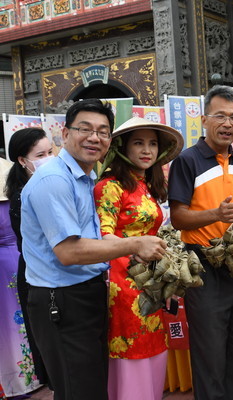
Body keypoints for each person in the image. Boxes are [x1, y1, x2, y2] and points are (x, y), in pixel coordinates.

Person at [20, 99, 167, 400]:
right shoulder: (54, 180)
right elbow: (69, 252)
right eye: (84, 129)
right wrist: (135, 244)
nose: (94, 138)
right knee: (79, 389)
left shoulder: (86, 178)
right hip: (60, 300)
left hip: (88, 293)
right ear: (65, 133)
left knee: (91, 386)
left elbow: (100, 237)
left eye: (102, 131)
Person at [168, 85, 233, 400]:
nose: (228, 123)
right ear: (204, 119)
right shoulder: (187, 160)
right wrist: (214, 214)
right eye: (220, 115)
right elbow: (178, 217)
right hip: (202, 266)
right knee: (210, 350)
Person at [94, 117, 183, 400]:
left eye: (153, 143)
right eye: (139, 143)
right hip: (122, 285)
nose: (147, 150)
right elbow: (103, 237)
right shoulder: (110, 186)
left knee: (152, 351)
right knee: (131, 353)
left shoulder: (145, 184)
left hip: (149, 282)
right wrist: (137, 247)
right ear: (122, 147)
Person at [4, 127, 53, 390]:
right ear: (23, 160)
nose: (48, 158)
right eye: (40, 154)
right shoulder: (22, 198)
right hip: (38, 274)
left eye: (50, 152)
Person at [1, 156, 43, 397]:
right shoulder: (18, 194)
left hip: (6, 267)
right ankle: (30, 377)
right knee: (22, 321)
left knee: (6, 326)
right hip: (18, 260)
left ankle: (12, 383)